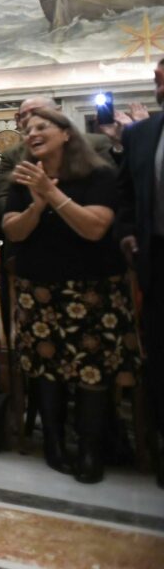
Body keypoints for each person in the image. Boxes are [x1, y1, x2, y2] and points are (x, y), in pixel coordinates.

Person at [3, 107, 136, 483]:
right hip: (39, 291)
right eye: (28, 130)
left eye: (42, 126)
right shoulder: (23, 177)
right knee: (48, 371)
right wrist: (36, 203)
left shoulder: (99, 174)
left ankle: (91, 451)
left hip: (92, 291)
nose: (32, 134)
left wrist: (52, 193)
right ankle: (55, 446)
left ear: (66, 133)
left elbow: (94, 228)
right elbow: (14, 231)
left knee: (90, 371)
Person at [117, 57, 164, 487]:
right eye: (157, 76)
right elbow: (128, 193)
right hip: (157, 260)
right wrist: (129, 232)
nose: (157, 81)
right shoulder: (144, 134)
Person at [0, 96, 114, 216]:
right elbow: (5, 200)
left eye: (38, 111)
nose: (30, 118)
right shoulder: (12, 154)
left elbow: (113, 190)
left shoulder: (97, 145)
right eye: (24, 115)